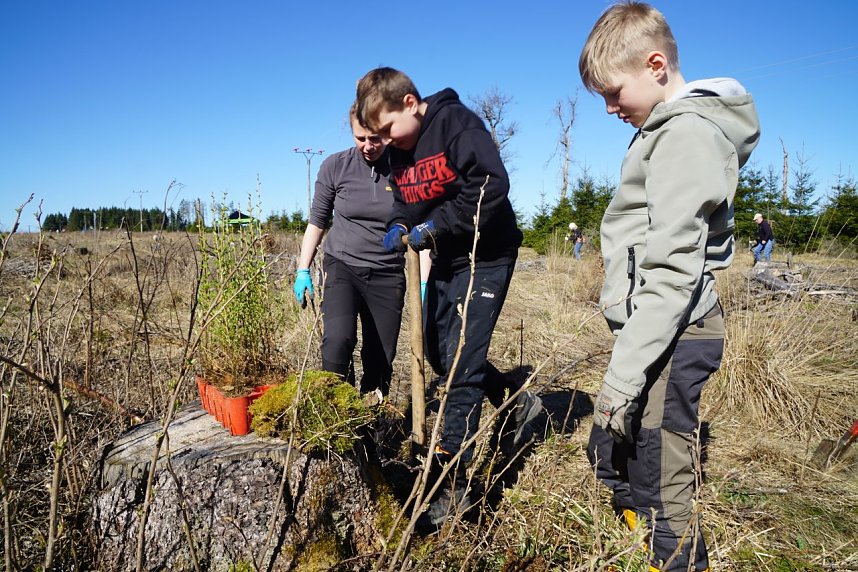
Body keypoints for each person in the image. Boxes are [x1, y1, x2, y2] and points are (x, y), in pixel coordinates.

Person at [579, 3, 760, 571]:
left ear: (655, 64)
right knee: (613, 449)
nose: (609, 108)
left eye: (613, 93)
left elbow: (674, 271)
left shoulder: (685, 135)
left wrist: (622, 377)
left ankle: (676, 561)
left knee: (661, 468)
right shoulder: (664, 130)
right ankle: (638, 532)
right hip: (654, 325)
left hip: (677, 328)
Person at [354, 67, 543, 529]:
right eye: (374, 134)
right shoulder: (399, 148)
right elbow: (406, 200)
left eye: (387, 129)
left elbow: (492, 184)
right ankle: (515, 400)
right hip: (447, 257)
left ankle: (449, 487)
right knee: (438, 352)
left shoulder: (456, 124)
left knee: (461, 365)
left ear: (411, 103)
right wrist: (400, 224)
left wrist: (437, 226)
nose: (383, 141)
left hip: (488, 254)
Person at [293, 104, 405, 400]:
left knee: (380, 355)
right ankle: (337, 413)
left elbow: (417, 228)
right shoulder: (335, 166)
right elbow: (317, 221)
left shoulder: (404, 168)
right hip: (343, 265)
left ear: (389, 134)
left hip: (387, 272)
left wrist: (423, 283)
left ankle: (371, 427)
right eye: (360, 138)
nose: (368, 146)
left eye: (376, 139)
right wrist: (303, 268)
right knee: (338, 340)